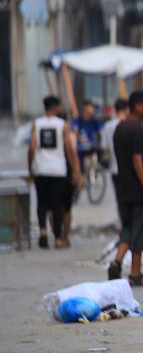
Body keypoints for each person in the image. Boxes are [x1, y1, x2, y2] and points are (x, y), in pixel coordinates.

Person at [107, 91, 143, 286]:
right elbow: (137, 160)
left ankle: (117, 262)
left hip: (124, 186)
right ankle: (135, 273)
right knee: (139, 229)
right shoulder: (137, 129)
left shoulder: (120, 128)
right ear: (138, 106)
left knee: (128, 228)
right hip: (138, 189)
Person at [27, 96, 81, 248]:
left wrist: (30, 167)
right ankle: (58, 238)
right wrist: (75, 169)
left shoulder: (36, 124)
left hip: (41, 169)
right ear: (55, 107)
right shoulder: (62, 124)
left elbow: (31, 147)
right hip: (58, 169)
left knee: (42, 202)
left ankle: (43, 231)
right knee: (57, 205)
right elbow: (69, 149)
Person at [101, 99, 130, 226]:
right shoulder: (130, 124)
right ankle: (130, 223)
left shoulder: (108, 126)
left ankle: (124, 223)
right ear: (126, 110)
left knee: (120, 199)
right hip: (130, 169)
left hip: (115, 168)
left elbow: (105, 149)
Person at [72, 99, 102, 173]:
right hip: (81, 149)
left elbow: (101, 132)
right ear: (85, 108)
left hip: (92, 148)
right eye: (92, 107)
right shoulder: (78, 121)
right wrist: (79, 138)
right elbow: (74, 132)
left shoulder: (95, 121)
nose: (94, 110)